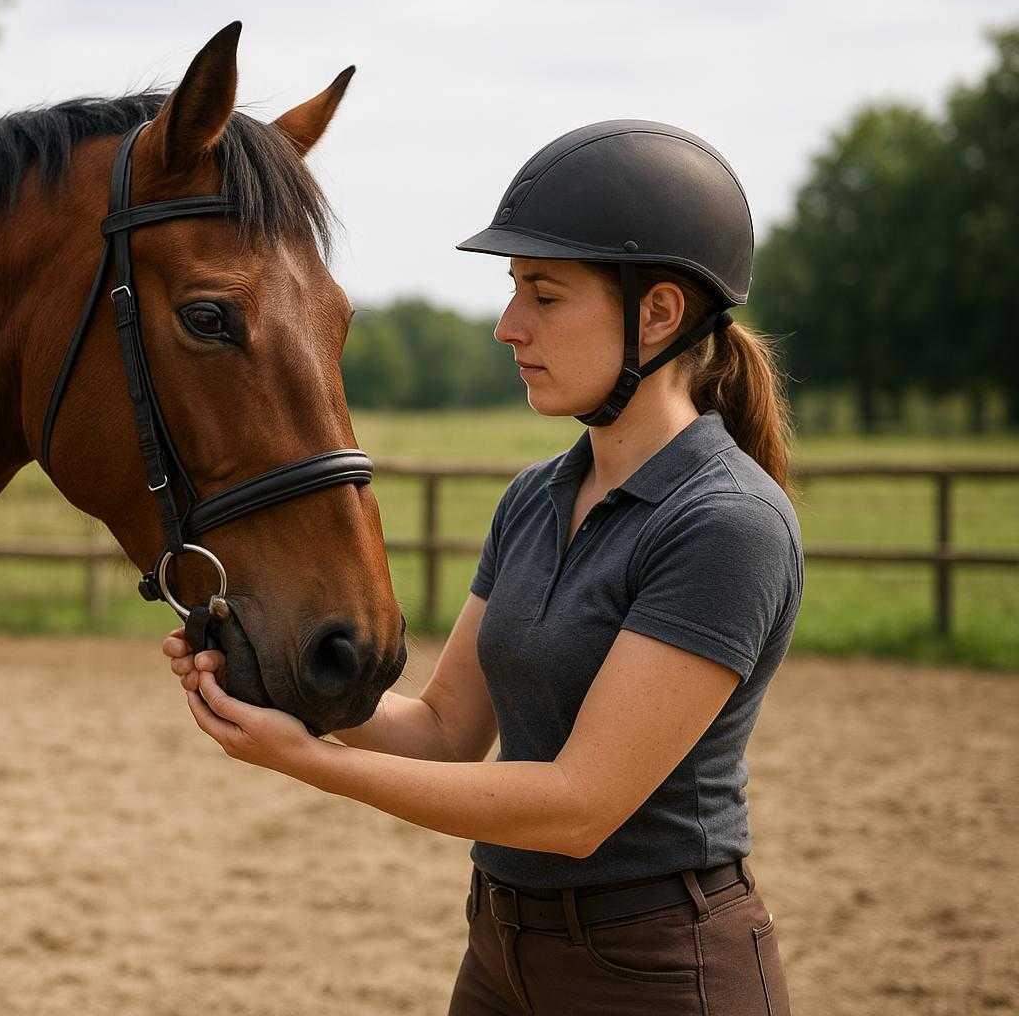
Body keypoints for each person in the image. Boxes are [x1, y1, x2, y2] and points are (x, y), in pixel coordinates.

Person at [162, 118, 801, 1015]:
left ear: (658, 313)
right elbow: (442, 730)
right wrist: (268, 684)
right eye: (512, 291)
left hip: (660, 970)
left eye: (543, 294)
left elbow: (579, 806)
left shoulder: (725, 524)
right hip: (502, 952)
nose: (509, 327)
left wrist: (304, 762)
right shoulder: (537, 498)